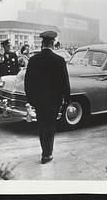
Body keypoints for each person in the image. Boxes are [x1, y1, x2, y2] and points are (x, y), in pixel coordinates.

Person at [24, 31, 70, 164]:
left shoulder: (33, 60)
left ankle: (45, 151)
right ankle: (47, 153)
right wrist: (66, 98)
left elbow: (28, 82)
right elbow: (64, 81)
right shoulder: (59, 60)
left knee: (42, 124)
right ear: (53, 43)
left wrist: (30, 99)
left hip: (39, 100)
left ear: (42, 43)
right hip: (54, 100)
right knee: (50, 125)